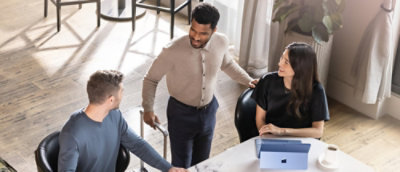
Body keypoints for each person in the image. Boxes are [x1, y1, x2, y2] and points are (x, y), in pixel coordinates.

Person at [142, 3, 257, 168]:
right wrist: (148, 109)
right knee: (181, 166)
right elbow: (150, 79)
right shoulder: (172, 50)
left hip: (209, 111)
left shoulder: (222, 41)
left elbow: (227, 64)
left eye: (203, 33)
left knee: (202, 163)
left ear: (214, 30)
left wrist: (248, 80)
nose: (195, 37)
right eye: (193, 30)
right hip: (180, 114)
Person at [58, 70, 187, 172]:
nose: (123, 94)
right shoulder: (72, 133)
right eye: (121, 91)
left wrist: (168, 168)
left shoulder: (114, 115)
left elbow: (137, 144)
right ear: (111, 100)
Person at [251, 42, 330, 138]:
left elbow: (318, 131)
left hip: (301, 140)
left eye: (286, 62)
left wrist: (282, 131)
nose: (279, 63)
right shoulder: (267, 81)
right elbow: (260, 119)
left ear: (301, 67)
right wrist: (268, 137)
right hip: (271, 137)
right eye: (282, 58)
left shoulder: (316, 90)